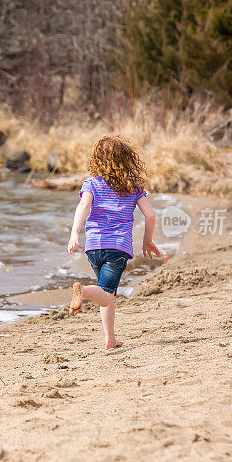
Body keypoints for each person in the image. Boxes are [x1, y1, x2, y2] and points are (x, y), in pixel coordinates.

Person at [67, 134, 161, 349]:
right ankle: (83, 291)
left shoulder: (92, 183)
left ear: (97, 160)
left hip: (93, 246)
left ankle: (110, 339)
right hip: (118, 247)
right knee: (105, 294)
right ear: (127, 160)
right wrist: (147, 240)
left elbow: (83, 207)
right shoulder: (134, 187)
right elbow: (150, 216)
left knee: (106, 294)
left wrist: (74, 235)